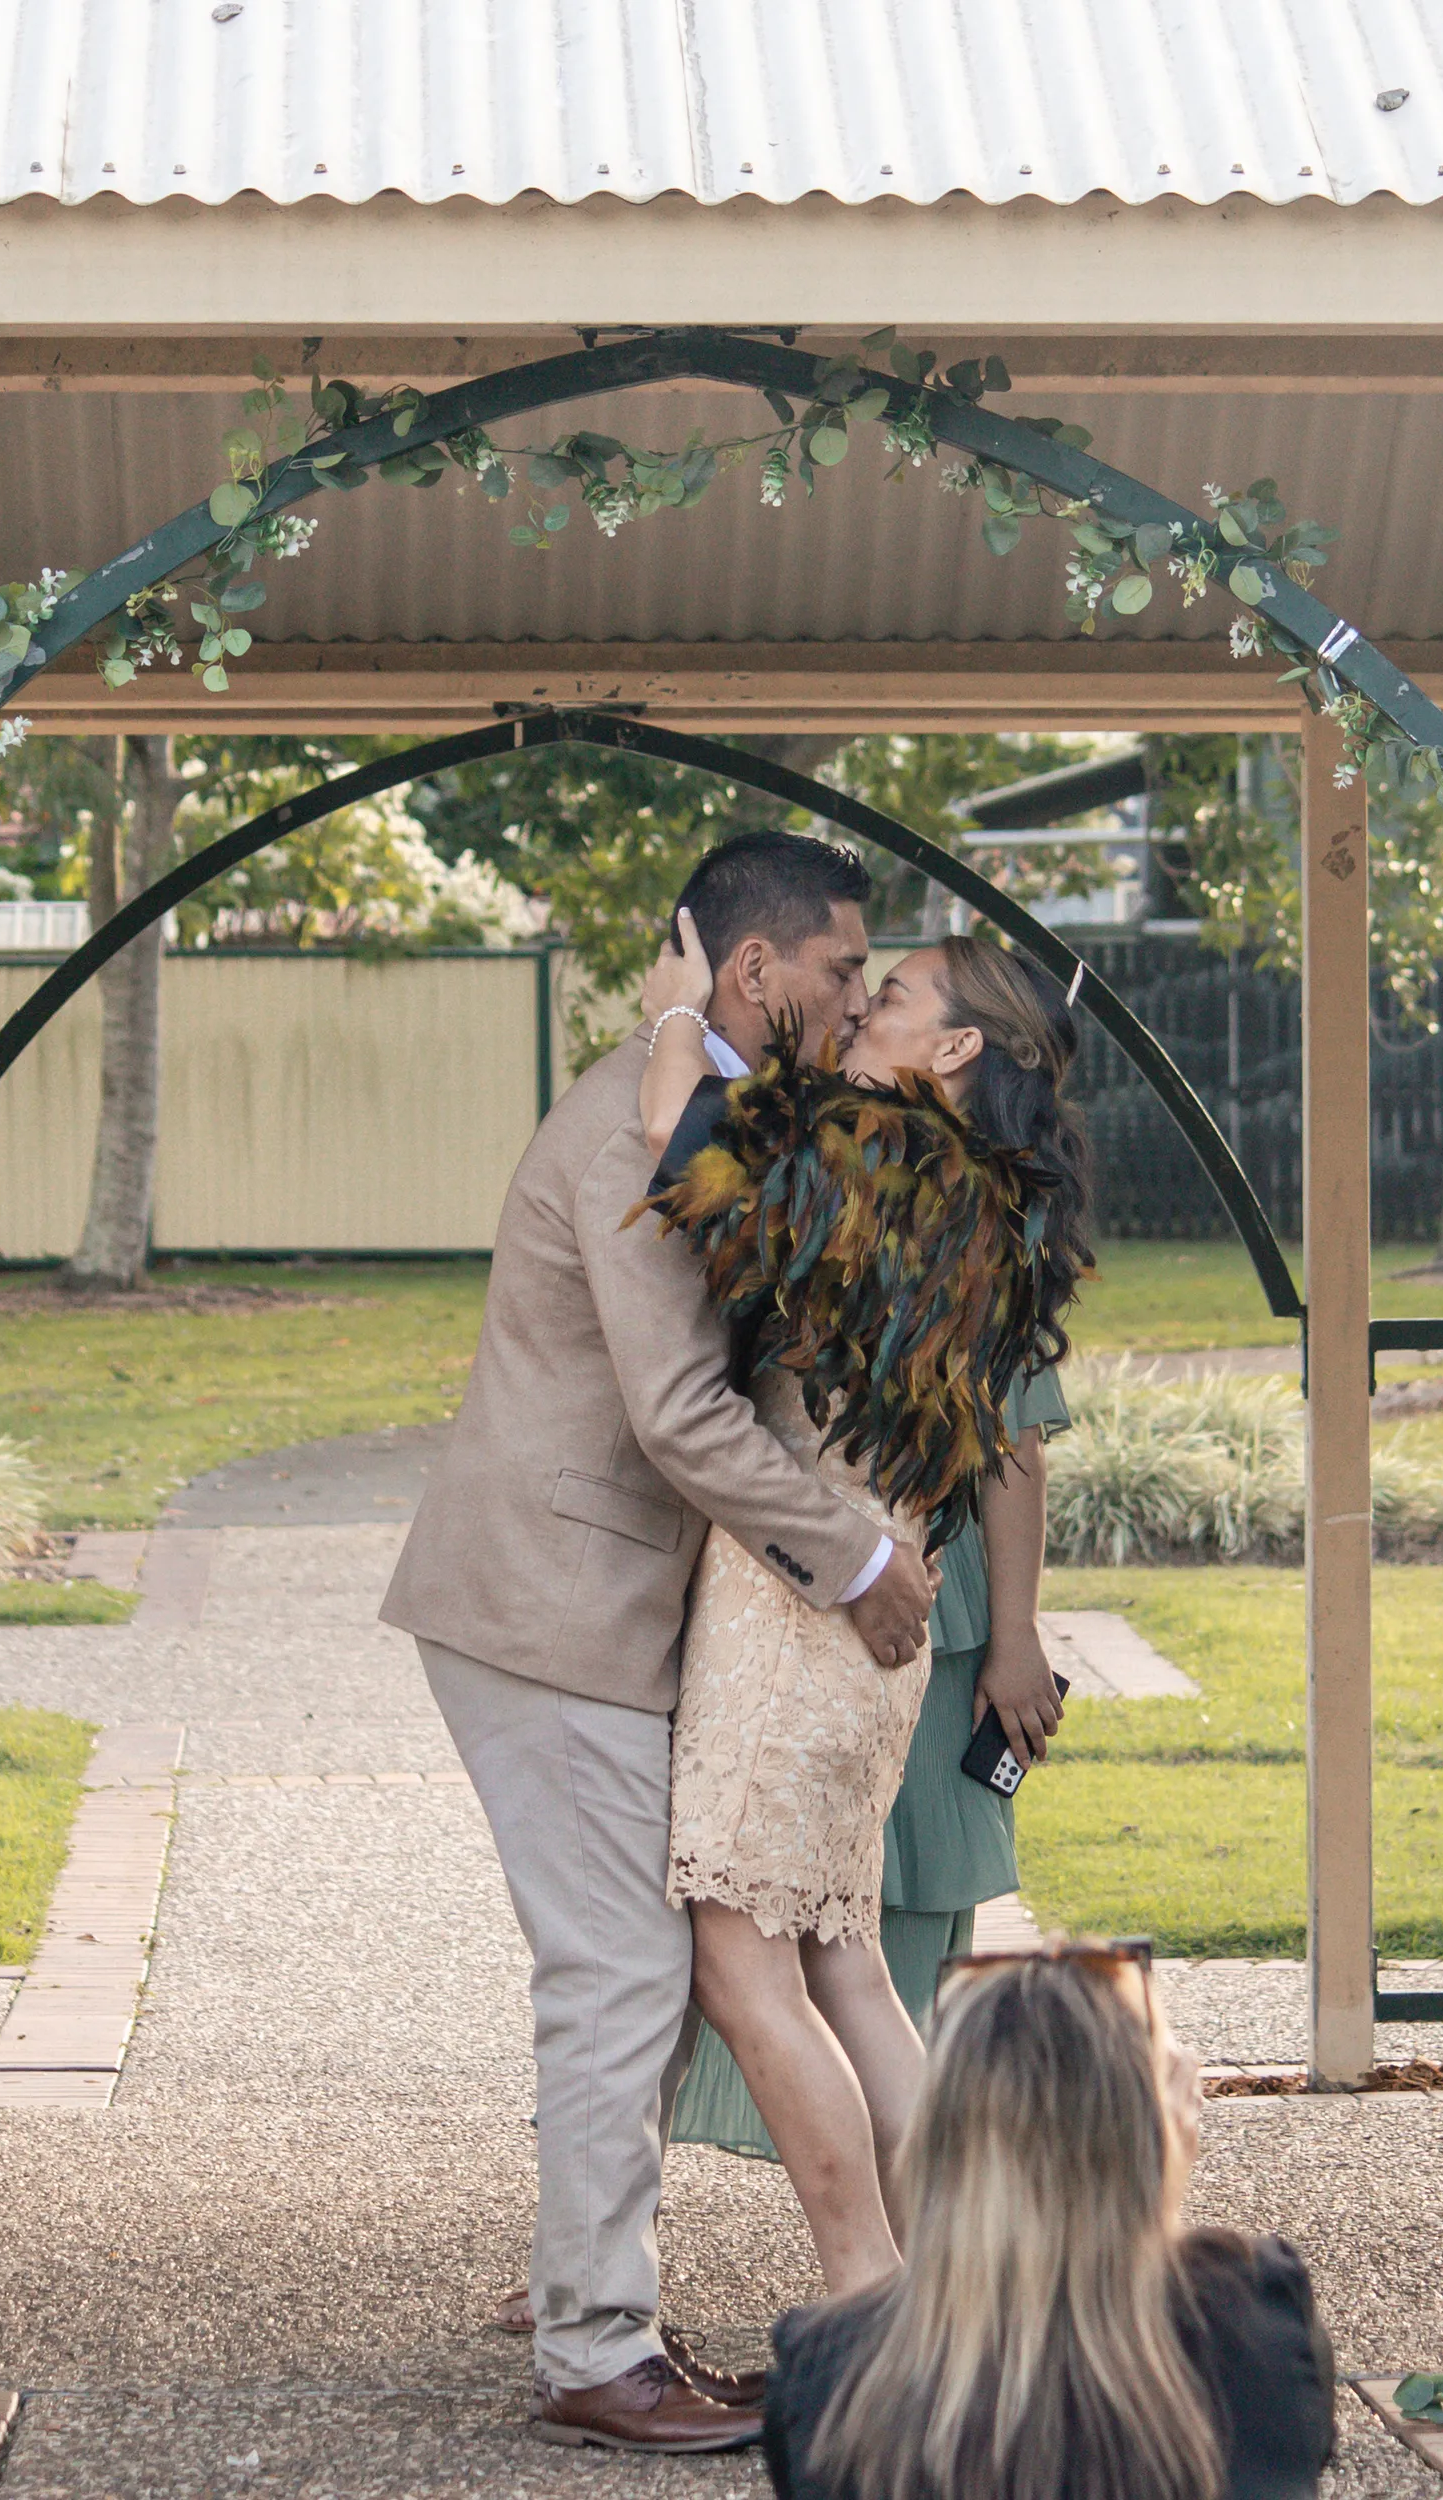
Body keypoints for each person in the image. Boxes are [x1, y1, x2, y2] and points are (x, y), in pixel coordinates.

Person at [380, 830, 937, 2455]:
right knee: (624, 1973)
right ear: (757, 967)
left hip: (599, 1605)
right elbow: (683, 1413)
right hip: (552, 1605)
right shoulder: (629, 1129)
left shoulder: (710, 1112)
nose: (856, 998)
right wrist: (856, 1560)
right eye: (841, 969)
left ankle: (593, 2308)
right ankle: (593, 2352)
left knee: (642, 1977)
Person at [635, 924, 1091, 2297]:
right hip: (881, 1609)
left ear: (954, 1044)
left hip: (794, 1610)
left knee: (743, 1965)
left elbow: (678, 1142)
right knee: (844, 1963)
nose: (861, 1008)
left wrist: (674, 1013)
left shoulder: (872, 1155)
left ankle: (869, 2290)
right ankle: (957, 2280)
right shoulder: (984, 1198)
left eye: (888, 996)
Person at [668, 1353, 1071, 2162]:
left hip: (888, 1610)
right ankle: (928, 2226)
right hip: (799, 1596)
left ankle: (897, 2226)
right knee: (826, 1956)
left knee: (856, 1937)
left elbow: (1013, 1431)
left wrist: (1017, 1631)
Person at [763, 1941, 1336, 2500]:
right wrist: (1161, 2177)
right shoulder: (1257, 2317)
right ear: (1145, 2133)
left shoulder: (826, 2372)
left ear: (936, 2138)